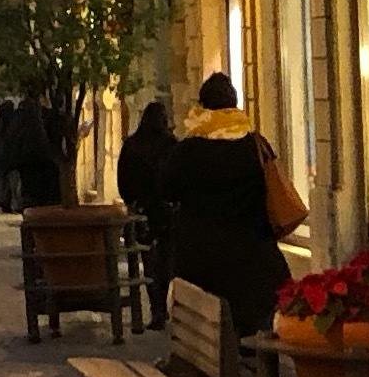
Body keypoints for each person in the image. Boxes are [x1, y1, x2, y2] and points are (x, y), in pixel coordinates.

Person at [159, 74, 292, 347]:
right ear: (234, 104)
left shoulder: (188, 150)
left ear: (204, 107)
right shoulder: (255, 145)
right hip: (252, 255)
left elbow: (166, 190)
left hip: (200, 258)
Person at [117, 97, 180, 323]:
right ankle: (166, 307)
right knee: (168, 261)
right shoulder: (171, 145)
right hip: (166, 213)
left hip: (143, 213)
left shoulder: (132, 145)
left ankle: (157, 310)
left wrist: (132, 201)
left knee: (149, 263)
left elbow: (123, 181)